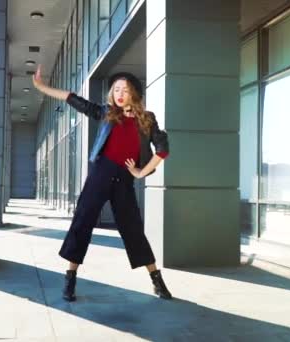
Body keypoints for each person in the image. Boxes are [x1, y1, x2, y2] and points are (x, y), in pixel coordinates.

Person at [32, 65, 172, 301]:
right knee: (82, 223)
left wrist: (140, 172)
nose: (119, 93)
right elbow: (73, 99)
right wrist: (42, 87)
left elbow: (162, 149)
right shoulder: (107, 113)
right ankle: (70, 279)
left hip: (124, 180)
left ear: (134, 94)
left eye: (125, 90)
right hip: (100, 174)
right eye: (116, 89)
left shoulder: (147, 120)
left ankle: (156, 280)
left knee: (133, 229)